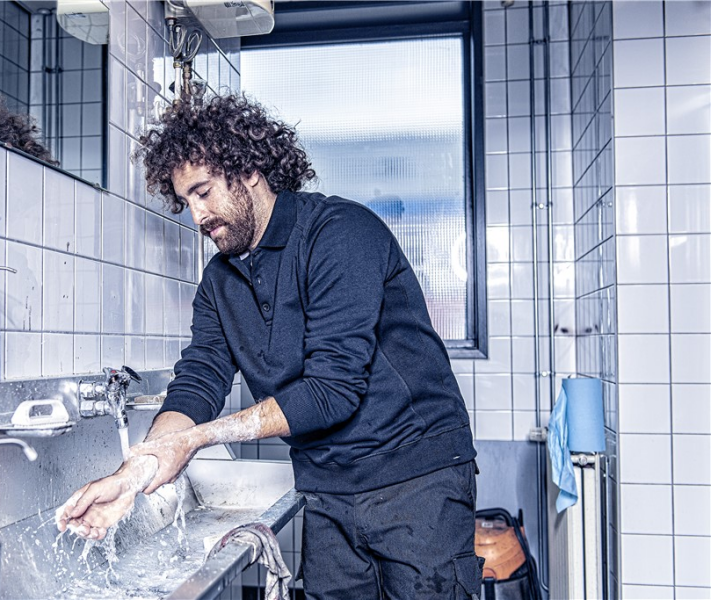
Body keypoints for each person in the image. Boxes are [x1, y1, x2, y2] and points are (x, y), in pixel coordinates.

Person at [57, 94, 482, 599]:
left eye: (203, 192)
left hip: (417, 479)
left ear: (249, 169)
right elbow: (198, 381)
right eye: (186, 201)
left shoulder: (340, 234)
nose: (196, 215)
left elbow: (331, 391)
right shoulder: (220, 281)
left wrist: (193, 441)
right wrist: (135, 472)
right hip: (326, 488)